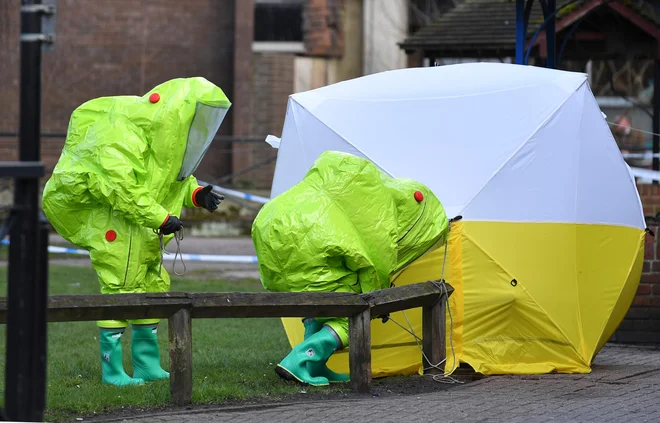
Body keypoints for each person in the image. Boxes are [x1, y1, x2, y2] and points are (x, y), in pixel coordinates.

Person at [42, 77, 230, 386]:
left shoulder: (164, 144)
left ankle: (146, 365)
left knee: (152, 289)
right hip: (119, 229)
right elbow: (123, 190)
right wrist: (160, 217)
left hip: (145, 234)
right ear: (177, 113)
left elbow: (170, 179)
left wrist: (196, 194)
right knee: (119, 290)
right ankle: (113, 370)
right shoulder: (120, 137)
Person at [251, 150, 449, 386]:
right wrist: (375, 299)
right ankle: (300, 361)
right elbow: (374, 266)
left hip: (272, 236)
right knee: (351, 316)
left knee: (319, 299)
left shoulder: (352, 192)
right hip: (308, 246)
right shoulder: (378, 217)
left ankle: (315, 365)